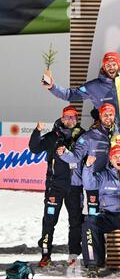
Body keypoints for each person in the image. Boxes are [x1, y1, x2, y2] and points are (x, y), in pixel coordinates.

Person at [57, 103, 120, 216]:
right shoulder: (89, 137)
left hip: (113, 183)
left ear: (114, 116)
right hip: (95, 182)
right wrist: (64, 153)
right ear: (100, 116)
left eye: (110, 114)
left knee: (108, 217)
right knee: (92, 217)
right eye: (105, 115)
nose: (108, 117)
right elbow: (76, 157)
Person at [28, 106, 85, 267]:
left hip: (75, 187)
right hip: (55, 187)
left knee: (75, 221)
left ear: (77, 119)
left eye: (73, 117)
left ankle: (73, 253)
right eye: (67, 117)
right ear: (62, 118)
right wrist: (37, 131)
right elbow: (34, 148)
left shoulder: (82, 135)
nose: (70, 120)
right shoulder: (53, 136)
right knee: (49, 220)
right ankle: (46, 253)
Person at [81, 145, 120, 278]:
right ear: (110, 159)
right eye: (115, 157)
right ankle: (94, 264)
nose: (118, 159)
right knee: (89, 222)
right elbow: (88, 184)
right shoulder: (103, 175)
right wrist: (87, 167)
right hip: (106, 215)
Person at [42, 52, 120, 134]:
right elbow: (69, 95)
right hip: (107, 133)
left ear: (119, 65)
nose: (111, 68)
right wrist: (52, 87)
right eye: (108, 65)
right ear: (104, 67)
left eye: (114, 64)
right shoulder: (93, 86)